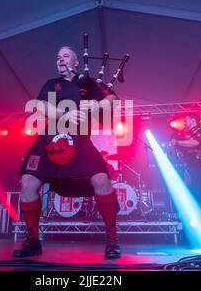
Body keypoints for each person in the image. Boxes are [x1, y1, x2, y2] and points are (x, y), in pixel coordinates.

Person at [14, 46, 121, 258]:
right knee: (27, 182)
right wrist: (64, 115)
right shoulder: (51, 84)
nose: (59, 59)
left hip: (80, 141)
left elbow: (114, 99)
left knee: (101, 180)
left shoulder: (87, 83)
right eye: (57, 56)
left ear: (75, 63)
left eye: (65, 56)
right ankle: (33, 240)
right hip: (50, 139)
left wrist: (97, 105)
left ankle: (111, 239)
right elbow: (41, 105)